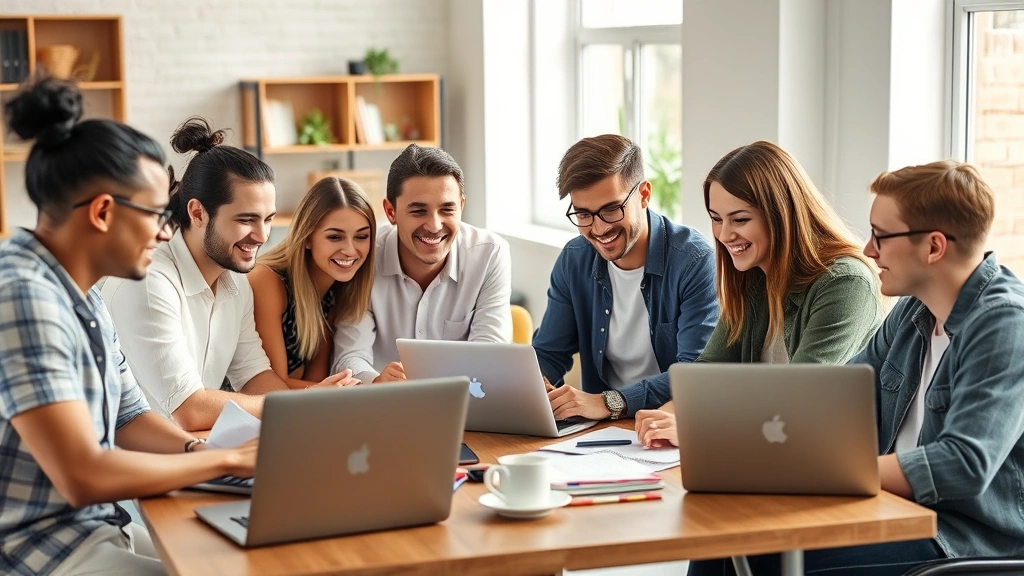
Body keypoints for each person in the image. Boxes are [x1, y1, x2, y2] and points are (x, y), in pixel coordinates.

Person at [689, 161, 1024, 575]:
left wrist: (820, 471)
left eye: (880, 236)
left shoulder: (1005, 323)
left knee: (768, 560)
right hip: (891, 511)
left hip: (961, 538)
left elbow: (964, 463)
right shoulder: (911, 313)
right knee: (726, 543)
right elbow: (834, 396)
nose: (867, 250)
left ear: (934, 247)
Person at [0, 78, 256, 576]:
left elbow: (129, 417)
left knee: (234, 560)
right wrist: (227, 463)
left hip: (94, 525)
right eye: (159, 214)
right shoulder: (23, 294)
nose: (166, 231)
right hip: (34, 547)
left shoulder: (85, 289)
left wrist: (200, 451)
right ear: (102, 212)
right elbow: (82, 474)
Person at [102, 117, 356, 431]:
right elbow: (190, 410)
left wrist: (305, 408)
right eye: (247, 219)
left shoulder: (236, 281)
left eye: (268, 219)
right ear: (197, 213)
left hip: (193, 451)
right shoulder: (148, 283)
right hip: (135, 464)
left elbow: (253, 376)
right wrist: (299, 402)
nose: (262, 236)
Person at [635, 141, 882, 448]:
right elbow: (711, 371)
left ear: (781, 214)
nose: (724, 235)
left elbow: (799, 397)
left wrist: (696, 423)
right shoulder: (753, 276)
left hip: (821, 456)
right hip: (764, 451)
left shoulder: (845, 284)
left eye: (740, 220)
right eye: (716, 218)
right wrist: (669, 414)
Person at [531, 134, 718, 422]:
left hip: (672, 425)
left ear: (643, 194)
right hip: (599, 431)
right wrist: (535, 384)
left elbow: (695, 371)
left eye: (610, 209)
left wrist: (611, 402)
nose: (598, 228)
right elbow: (550, 352)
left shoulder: (692, 260)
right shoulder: (574, 259)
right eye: (583, 214)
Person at [331, 144, 513, 384]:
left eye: (447, 209)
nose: (435, 225)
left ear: (461, 206)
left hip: (462, 405)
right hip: (382, 405)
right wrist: (376, 383)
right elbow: (349, 356)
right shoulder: (365, 255)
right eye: (419, 211)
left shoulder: (489, 254)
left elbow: (491, 354)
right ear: (391, 211)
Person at [248, 177, 376, 387]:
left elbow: (317, 381)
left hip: (296, 409)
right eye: (335, 237)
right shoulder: (268, 280)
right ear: (307, 237)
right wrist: (352, 390)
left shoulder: (336, 291)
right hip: (242, 410)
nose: (350, 250)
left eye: (361, 237)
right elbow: (272, 384)